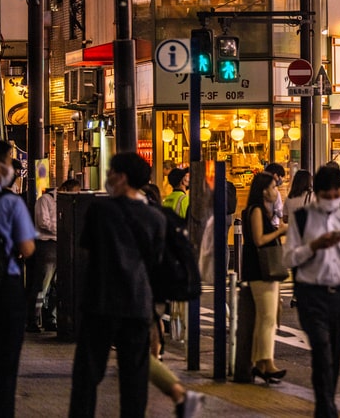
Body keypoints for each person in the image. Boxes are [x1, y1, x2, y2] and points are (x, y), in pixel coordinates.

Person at [69, 152, 167, 417]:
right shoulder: (156, 218)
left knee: (87, 375)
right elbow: (155, 261)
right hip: (137, 303)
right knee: (134, 377)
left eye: (111, 171)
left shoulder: (101, 210)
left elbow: (87, 248)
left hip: (100, 301)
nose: (108, 176)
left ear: (122, 178)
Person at [284, 165, 340, 418]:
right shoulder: (302, 218)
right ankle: (326, 408)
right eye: (327, 195)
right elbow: (288, 258)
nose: (332, 200)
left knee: (334, 352)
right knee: (322, 350)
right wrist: (314, 246)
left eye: (337, 195)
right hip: (310, 294)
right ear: (318, 193)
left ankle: (327, 400)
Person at [141, 182, 206, 418]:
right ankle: (180, 394)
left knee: (133, 353)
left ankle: (180, 394)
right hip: (151, 290)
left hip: (140, 292)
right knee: (135, 352)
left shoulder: (146, 217)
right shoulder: (162, 214)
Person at [0, 141, 36, 417]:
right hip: (3, 289)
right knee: (5, 364)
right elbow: (27, 248)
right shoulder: (10, 202)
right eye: (10, 163)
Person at [241, 172, 288, 383]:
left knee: (264, 318)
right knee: (268, 318)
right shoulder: (257, 210)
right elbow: (259, 240)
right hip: (261, 271)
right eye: (273, 187)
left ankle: (260, 363)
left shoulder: (257, 210)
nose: (275, 191)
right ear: (263, 191)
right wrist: (280, 232)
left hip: (259, 271)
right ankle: (266, 362)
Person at [26, 178, 75, 333]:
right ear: (65, 189)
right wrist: (63, 228)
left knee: (57, 285)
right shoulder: (45, 200)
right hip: (47, 244)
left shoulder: (68, 203)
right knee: (42, 283)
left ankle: (50, 318)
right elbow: (43, 223)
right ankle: (33, 319)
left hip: (63, 245)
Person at [264, 162, 287, 229]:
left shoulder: (259, 188)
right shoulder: (275, 192)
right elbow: (280, 213)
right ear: (275, 175)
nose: (281, 180)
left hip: (259, 226)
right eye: (281, 176)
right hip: (272, 226)